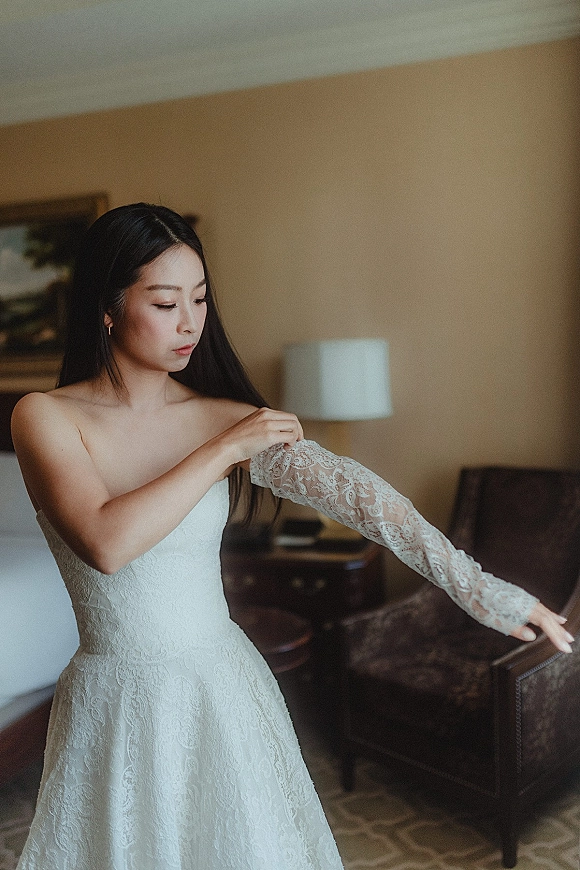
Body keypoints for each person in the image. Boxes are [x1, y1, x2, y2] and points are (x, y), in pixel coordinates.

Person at [11, 203, 573, 870]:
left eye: (200, 298)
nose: (191, 321)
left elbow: (373, 506)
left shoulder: (227, 418)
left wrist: (488, 593)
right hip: (114, 700)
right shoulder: (44, 416)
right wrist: (222, 451)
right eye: (165, 302)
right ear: (107, 307)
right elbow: (106, 543)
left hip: (220, 687)